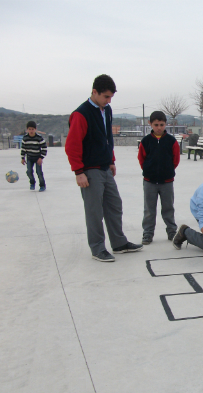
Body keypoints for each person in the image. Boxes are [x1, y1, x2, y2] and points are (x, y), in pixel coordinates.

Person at [65, 74, 142, 262]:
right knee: (94, 211)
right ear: (94, 92)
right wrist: (79, 172)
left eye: (111, 98)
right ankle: (98, 248)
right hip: (89, 170)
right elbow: (72, 145)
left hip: (105, 168)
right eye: (106, 97)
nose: (108, 101)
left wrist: (111, 160)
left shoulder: (106, 110)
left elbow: (108, 138)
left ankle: (119, 243)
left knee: (114, 205)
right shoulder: (81, 114)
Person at [137, 111, 181, 245]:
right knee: (149, 209)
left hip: (167, 182)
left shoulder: (171, 141)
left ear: (165, 124)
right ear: (150, 124)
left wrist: (167, 171)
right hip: (149, 181)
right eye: (156, 125)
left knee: (168, 208)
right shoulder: (145, 141)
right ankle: (148, 233)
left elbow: (176, 160)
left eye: (161, 125)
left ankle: (172, 231)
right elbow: (141, 159)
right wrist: (148, 171)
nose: (159, 127)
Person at [20, 121, 47, 192]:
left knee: (39, 172)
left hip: (37, 157)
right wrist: (22, 158)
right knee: (29, 171)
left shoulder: (39, 138)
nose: (31, 131)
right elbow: (23, 148)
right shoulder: (25, 138)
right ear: (27, 130)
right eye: (29, 129)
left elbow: (44, 148)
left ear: (35, 129)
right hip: (29, 158)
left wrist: (41, 158)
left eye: (32, 129)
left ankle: (42, 185)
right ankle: (32, 183)